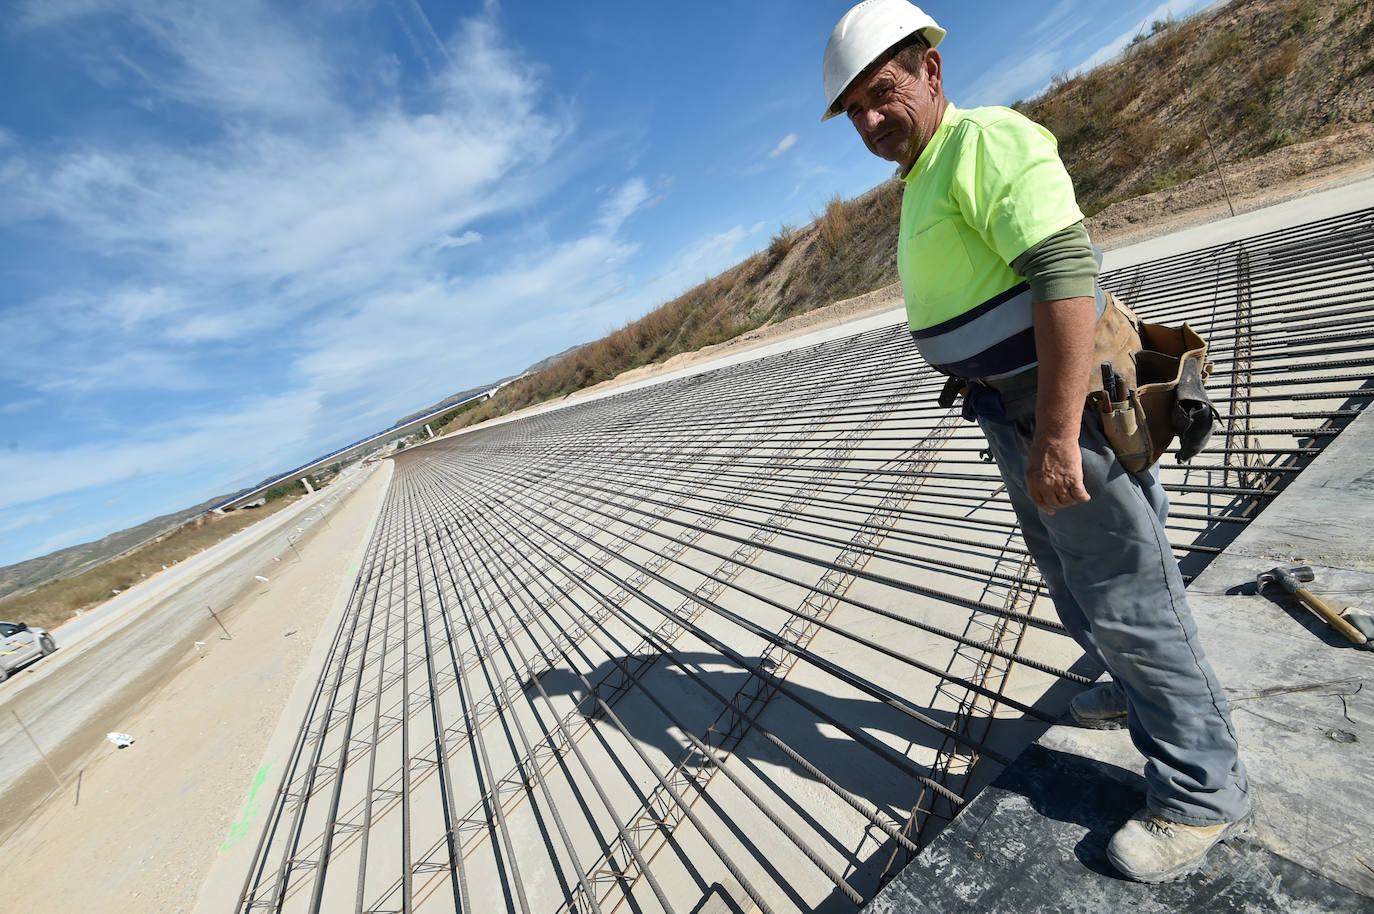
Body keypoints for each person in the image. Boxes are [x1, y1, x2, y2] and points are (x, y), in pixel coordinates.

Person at [821, 0, 1251, 884]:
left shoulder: (985, 142)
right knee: (1074, 588)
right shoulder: (929, 169)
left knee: (1130, 598)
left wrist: (1058, 434)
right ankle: (1132, 699)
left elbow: (1066, 280)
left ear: (931, 72)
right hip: (1011, 410)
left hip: (1065, 414)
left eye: (883, 92)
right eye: (855, 108)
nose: (869, 119)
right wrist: (974, 369)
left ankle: (1202, 792)